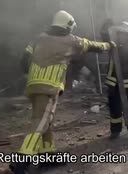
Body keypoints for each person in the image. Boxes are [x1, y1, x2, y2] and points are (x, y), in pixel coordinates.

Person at [11, 10, 112, 173]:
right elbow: (93, 46)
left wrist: (30, 74)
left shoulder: (39, 37)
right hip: (49, 87)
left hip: (34, 85)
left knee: (45, 122)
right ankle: (22, 160)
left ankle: (47, 156)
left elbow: (24, 59)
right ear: (68, 25)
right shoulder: (71, 40)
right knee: (41, 122)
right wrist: (110, 45)